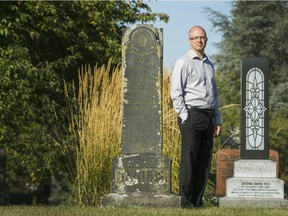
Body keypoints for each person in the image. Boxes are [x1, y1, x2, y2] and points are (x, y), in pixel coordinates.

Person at [170, 25, 222, 208]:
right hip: (192, 116)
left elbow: (214, 94)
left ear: (206, 40)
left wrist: (217, 118)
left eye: (202, 37)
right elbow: (176, 93)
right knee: (189, 160)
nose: (199, 40)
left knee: (204, 161)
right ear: (189, 40)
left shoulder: (209, 64)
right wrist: (185, 116)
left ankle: (198, 202)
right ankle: (186, 202)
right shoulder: (183, 62)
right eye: (195, 38)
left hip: (208, 117)